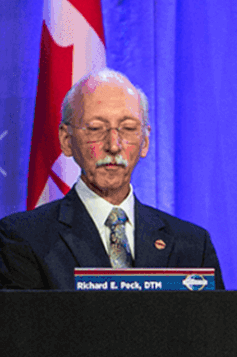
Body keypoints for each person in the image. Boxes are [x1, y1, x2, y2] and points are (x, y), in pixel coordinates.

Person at [0, 69, 224, 290]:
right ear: (67, 140)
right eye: (96, 129)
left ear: (145, 142)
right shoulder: (24, 239)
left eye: (127, 129)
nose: (113, 145)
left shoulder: (193, 246)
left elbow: (214, 326)